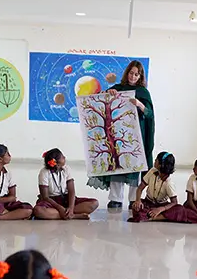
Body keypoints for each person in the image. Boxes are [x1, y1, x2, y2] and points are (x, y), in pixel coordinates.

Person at [86, 61, 155, 210]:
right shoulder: (118, 88)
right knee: (117, 164)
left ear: (140, 76)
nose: (133, 76)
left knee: (134, 166)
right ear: (127, 73)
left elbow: (149, 114)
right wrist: (108, 93)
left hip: (136, 136)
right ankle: (115, 198)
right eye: (131, 73)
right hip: (117, 134)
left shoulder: (143, 93)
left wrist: (139, 104)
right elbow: (99, 98)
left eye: (137, 74)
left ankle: (133, 199)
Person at [33, 148, 99, 220]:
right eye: (62, 157)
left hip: (66, 199)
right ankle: (73, 216)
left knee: (94, 203)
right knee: (38, 210)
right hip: (51, 201)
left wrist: (71, 208)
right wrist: (59, 208)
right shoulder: (44, 172)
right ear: (57, 163)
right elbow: (45, 197)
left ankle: (66, 214)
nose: (64, 157)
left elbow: (71, 191)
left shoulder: (66, 169)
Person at [129, 152, 178, 223]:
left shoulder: (169, 183)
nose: (154, 160)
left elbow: (174, 202)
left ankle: (155, 217)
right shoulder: (152, 171)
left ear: (161, 165)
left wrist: (160, 209)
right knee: (135, 207)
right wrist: (138, 200)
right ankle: (158, 216)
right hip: (148, 203)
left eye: (156, 160)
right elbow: (140, 188)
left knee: (179, 210)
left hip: (162, 205)